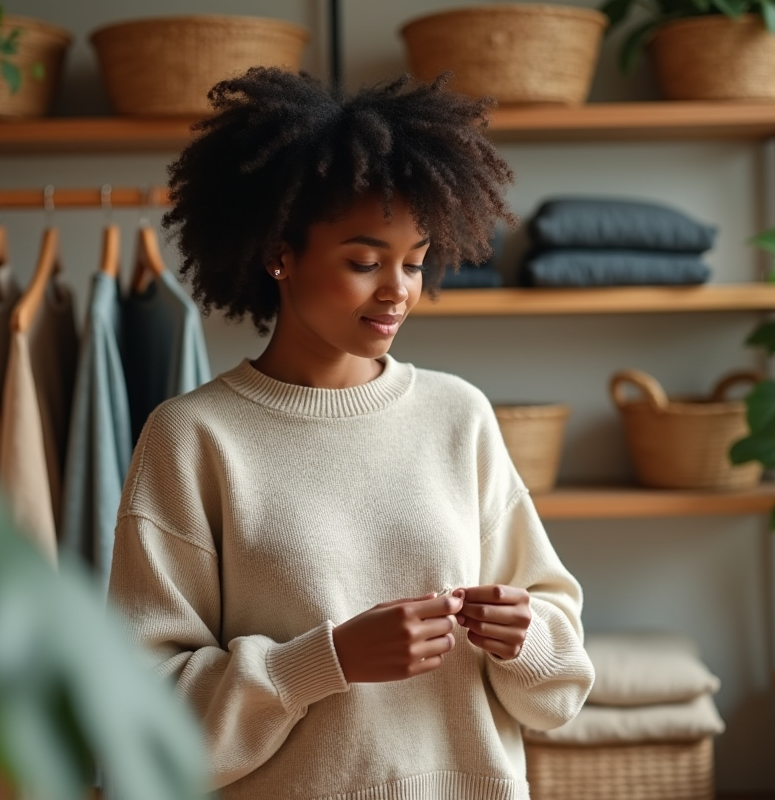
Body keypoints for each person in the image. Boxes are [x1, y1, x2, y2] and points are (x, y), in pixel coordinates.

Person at [107, 68, 595, 800]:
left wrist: (527, 636)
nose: (398, 289)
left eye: (416, 262)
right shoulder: (192, 439)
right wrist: (325, 660)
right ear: (280, 252)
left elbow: (559, 682)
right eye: (365, 262)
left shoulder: (457, 417)